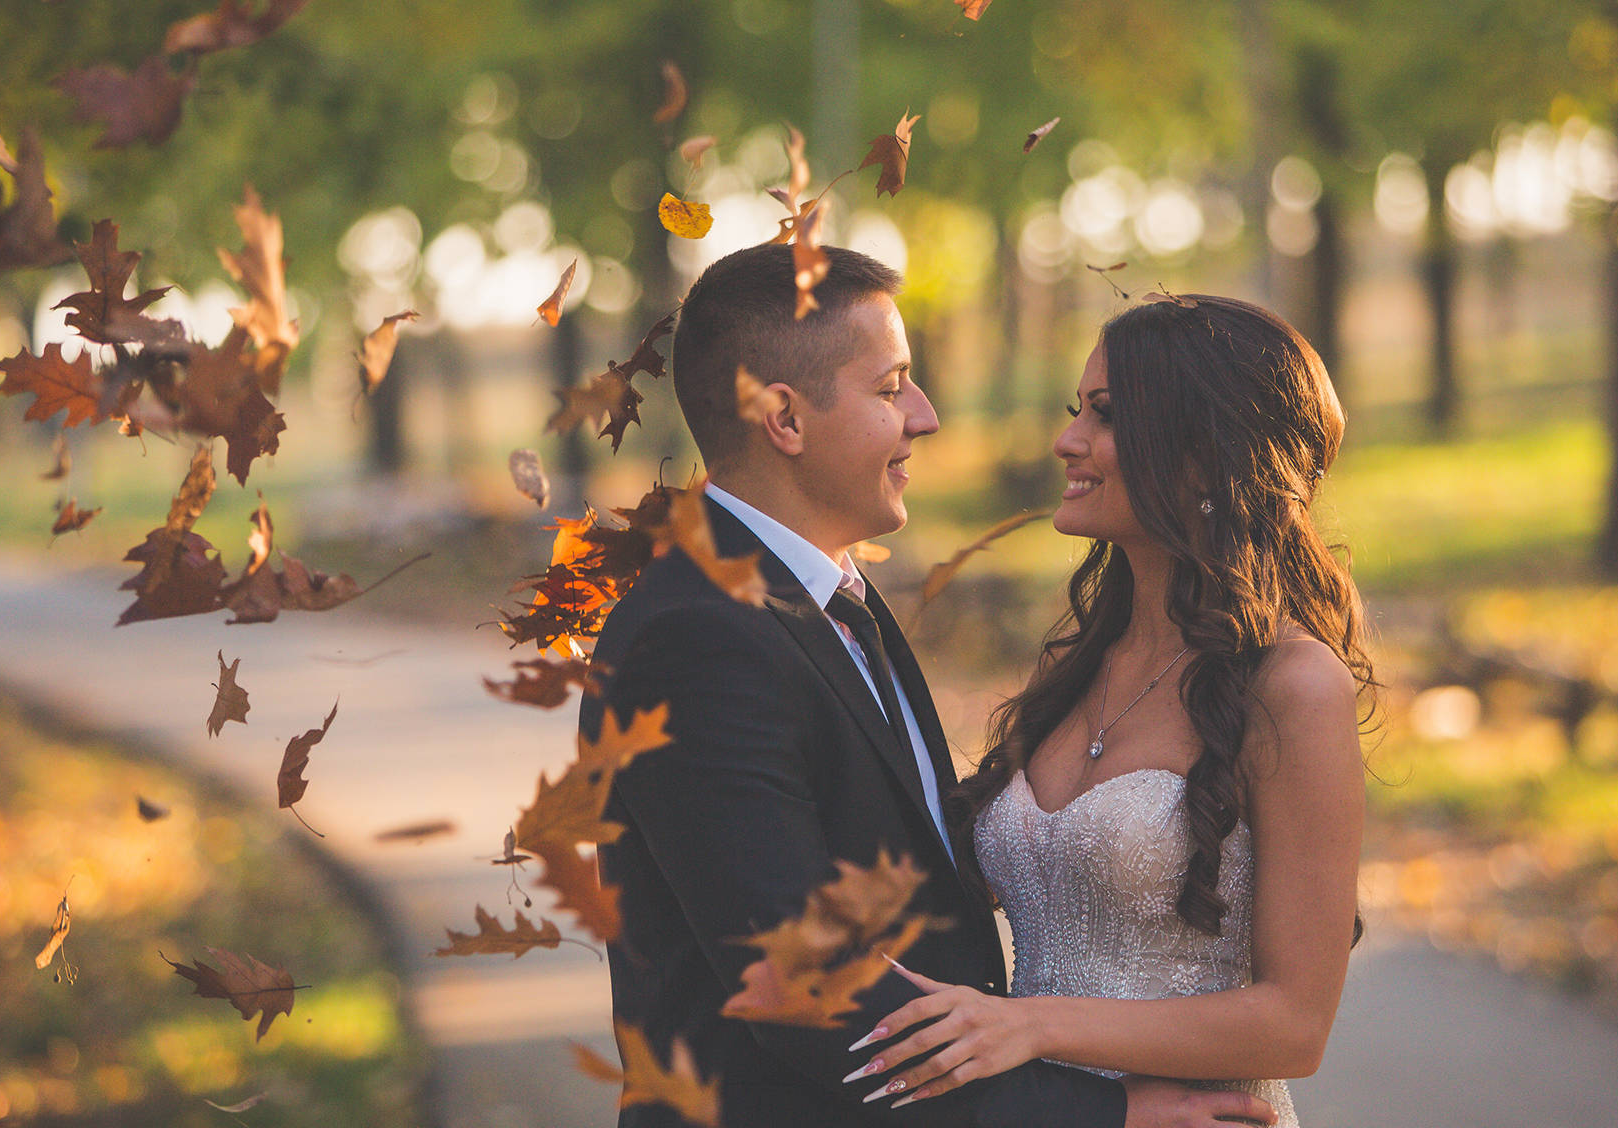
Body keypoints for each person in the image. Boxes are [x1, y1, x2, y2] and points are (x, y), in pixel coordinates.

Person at [583, 246, 1277, 1128]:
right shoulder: (696, 637)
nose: (928, 416)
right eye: (891, 389)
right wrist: (1104, 1117)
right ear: (784, 419)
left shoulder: (833, 598)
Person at [840, 295, 1375, 1128]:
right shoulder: (1075, 667)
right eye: (1076, 410)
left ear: (1207, 455)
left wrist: (1031, 1023)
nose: (1067, 440)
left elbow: (1294, 1025)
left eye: (1108, 415)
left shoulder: (1294, 686)